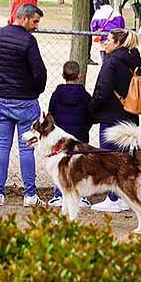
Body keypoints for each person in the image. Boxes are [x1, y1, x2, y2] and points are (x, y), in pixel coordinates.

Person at [0, 2, 47, 207]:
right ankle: (30, 195)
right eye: (35, 21)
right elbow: (40, 72)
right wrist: (36, 90)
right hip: (25, 100)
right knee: (27, 148)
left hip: (3, 99)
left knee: (2, 145)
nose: (36, 26)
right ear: (24, 18)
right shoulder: (28, 41)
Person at [89, 27, 141, 212]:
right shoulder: (134, 60)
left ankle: (113, 197)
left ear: (118, 43)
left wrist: (91, 109)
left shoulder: (111, 62)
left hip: (111, 115)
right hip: (129, 113)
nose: (105, 43)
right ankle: (124, 196)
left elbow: (102, 90)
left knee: (108, 158)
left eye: (109, 40)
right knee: (124, 159)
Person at [47, 60, 92, 208]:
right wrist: (85, 128)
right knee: (80, 165)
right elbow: (90, 114)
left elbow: (51, 113)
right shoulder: (85, 95)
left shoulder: (57, 94)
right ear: (79, 75)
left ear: (62, 75)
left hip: (62, 136)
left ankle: (59, 194)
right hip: (80, 134)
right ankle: (81, 196)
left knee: (61, 164)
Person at [88, 0, 125, 65]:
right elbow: (122, 26)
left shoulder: (98, 13)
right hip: (115, 37)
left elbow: (93, 27)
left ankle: (105, 65)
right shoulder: (116, 13)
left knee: (104, 55)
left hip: (103, 37)